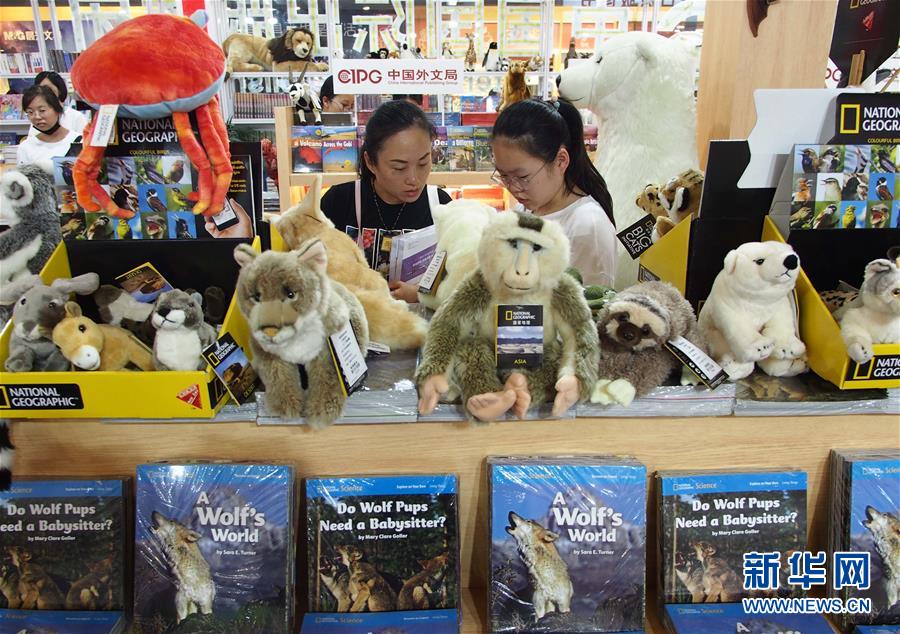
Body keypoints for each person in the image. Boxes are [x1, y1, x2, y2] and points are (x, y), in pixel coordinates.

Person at [320, 99, 452, 303]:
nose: (413, 179)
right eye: (399, 167)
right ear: (370, 162)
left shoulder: (441, 206)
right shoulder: (338, 202)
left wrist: (421, 294)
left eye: (423, 163)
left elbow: (458, 282)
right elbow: (311, 274)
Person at [490, 98, 617, 287]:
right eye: (504, 175)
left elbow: (587, 303)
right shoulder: (526, 209)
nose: (513, 187)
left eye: (522, 177)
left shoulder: (587, 226)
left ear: (560, 161)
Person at [17, 85, 81, 166]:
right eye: (30, 112)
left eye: (42, 110)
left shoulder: (80, 141)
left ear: (57, 109)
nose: (37, 116)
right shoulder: (26, 148)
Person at [29, 71, 88, 138]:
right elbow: (31, 141)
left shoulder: (76, 117)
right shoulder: (37, 118)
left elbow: (84, 142)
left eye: (49, 89)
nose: (45, 94)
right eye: (41, 90)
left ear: (59, 90)